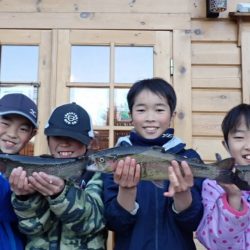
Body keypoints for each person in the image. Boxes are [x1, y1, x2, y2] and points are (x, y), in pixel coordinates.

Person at [103, 77, 204, 250]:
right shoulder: (116, 160)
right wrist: (126, 192)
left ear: (172, 115)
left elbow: (194, 223)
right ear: (130, 115)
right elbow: (114, 224)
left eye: (159, 110)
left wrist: (182, 195)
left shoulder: (188, 158)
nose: (150, 118)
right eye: (141, 110)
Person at [10, 103, 107, 250]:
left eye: (75, 137)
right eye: (58, 136)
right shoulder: (35, 169)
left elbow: (92, 223)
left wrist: (61, 193)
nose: (65, 143)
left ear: (89, 143)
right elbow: (32, 228)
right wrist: (25, 198)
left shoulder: (97, 173)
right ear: (48, 139)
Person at [196, 103, 250, 250]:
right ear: (226, 145)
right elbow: (214, 243)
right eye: (239, 137)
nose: (248, 145)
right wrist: (233, 197)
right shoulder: (214, 185)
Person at [0, 93, 38, 250]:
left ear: (32, 134)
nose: (12, 134)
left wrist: (25, 197)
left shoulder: (26, 172)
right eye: (5, 123)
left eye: (23, 128)